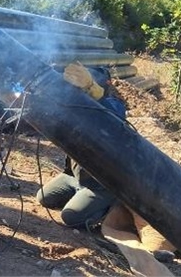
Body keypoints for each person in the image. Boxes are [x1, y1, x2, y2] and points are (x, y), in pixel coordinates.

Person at [35, 63, 127, 229]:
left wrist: (94, 91)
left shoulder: (113, 105)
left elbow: (115, 116)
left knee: (70, 217)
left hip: (101, 185)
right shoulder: (76, 104)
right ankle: (80, 195)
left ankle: (110, 203)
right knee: (44, 198)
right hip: (75, 176)